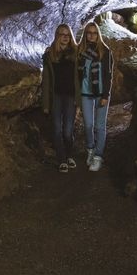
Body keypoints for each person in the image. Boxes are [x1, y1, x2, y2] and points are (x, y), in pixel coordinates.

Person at [77, 21, 114, 172]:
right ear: (85, 35)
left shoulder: (105, 52)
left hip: (101, 93)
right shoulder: (80, 51)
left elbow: (108, 75)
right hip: (86, 93)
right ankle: (90, 149)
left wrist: (106, 95)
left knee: (99, 126)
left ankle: (98, 156)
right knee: (88, 125)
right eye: (89, 33)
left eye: (94, 33)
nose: (91, 35)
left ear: (98, 35)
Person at [41, 24, 79, 173]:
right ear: (57, 36)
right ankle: (62, 159)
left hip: (70, 96)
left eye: (67, 35)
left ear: (70, 37)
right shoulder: (50, 55)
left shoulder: (76, 54)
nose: (65, 37)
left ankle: (69, 155)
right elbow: (46, 81)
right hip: (56, 96)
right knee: (57, 129)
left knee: (68, 131)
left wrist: (80, 99)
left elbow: (80, 79)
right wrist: (45, 104)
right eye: (62, 34)